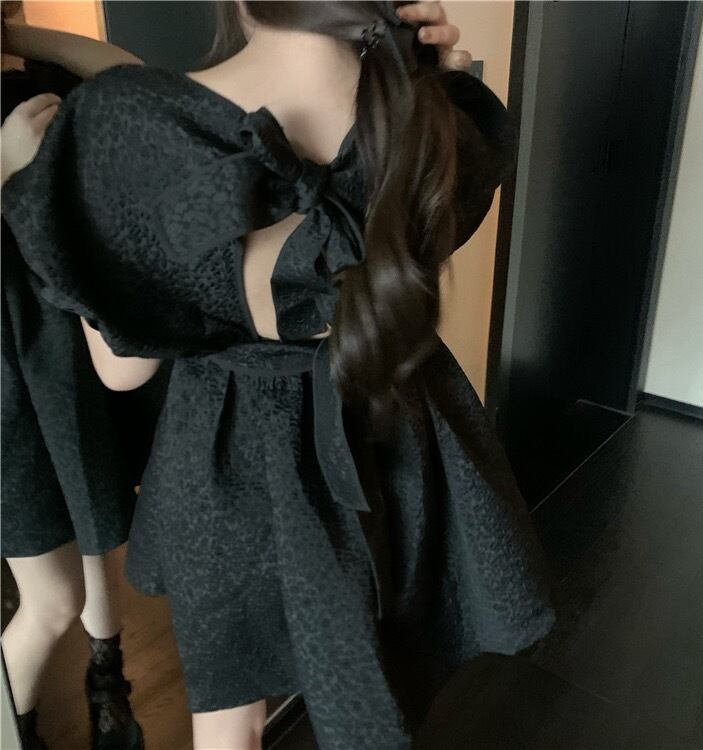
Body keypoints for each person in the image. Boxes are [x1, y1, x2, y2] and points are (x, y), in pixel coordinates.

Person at [2, 3, 555, 749]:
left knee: (230, 716)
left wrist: (30, 191)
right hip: (392, 433)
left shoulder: (122, 130)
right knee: (376, 665)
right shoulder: (429, 102)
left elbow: (123, 371)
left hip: (225, 461)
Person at [1, 7, 150, 749]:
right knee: (52, 597)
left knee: (98, 525)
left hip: (72, 349)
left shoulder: (35, 81)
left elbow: (136, 84)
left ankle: (107, 678)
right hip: (6, 386)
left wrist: (20, 37)